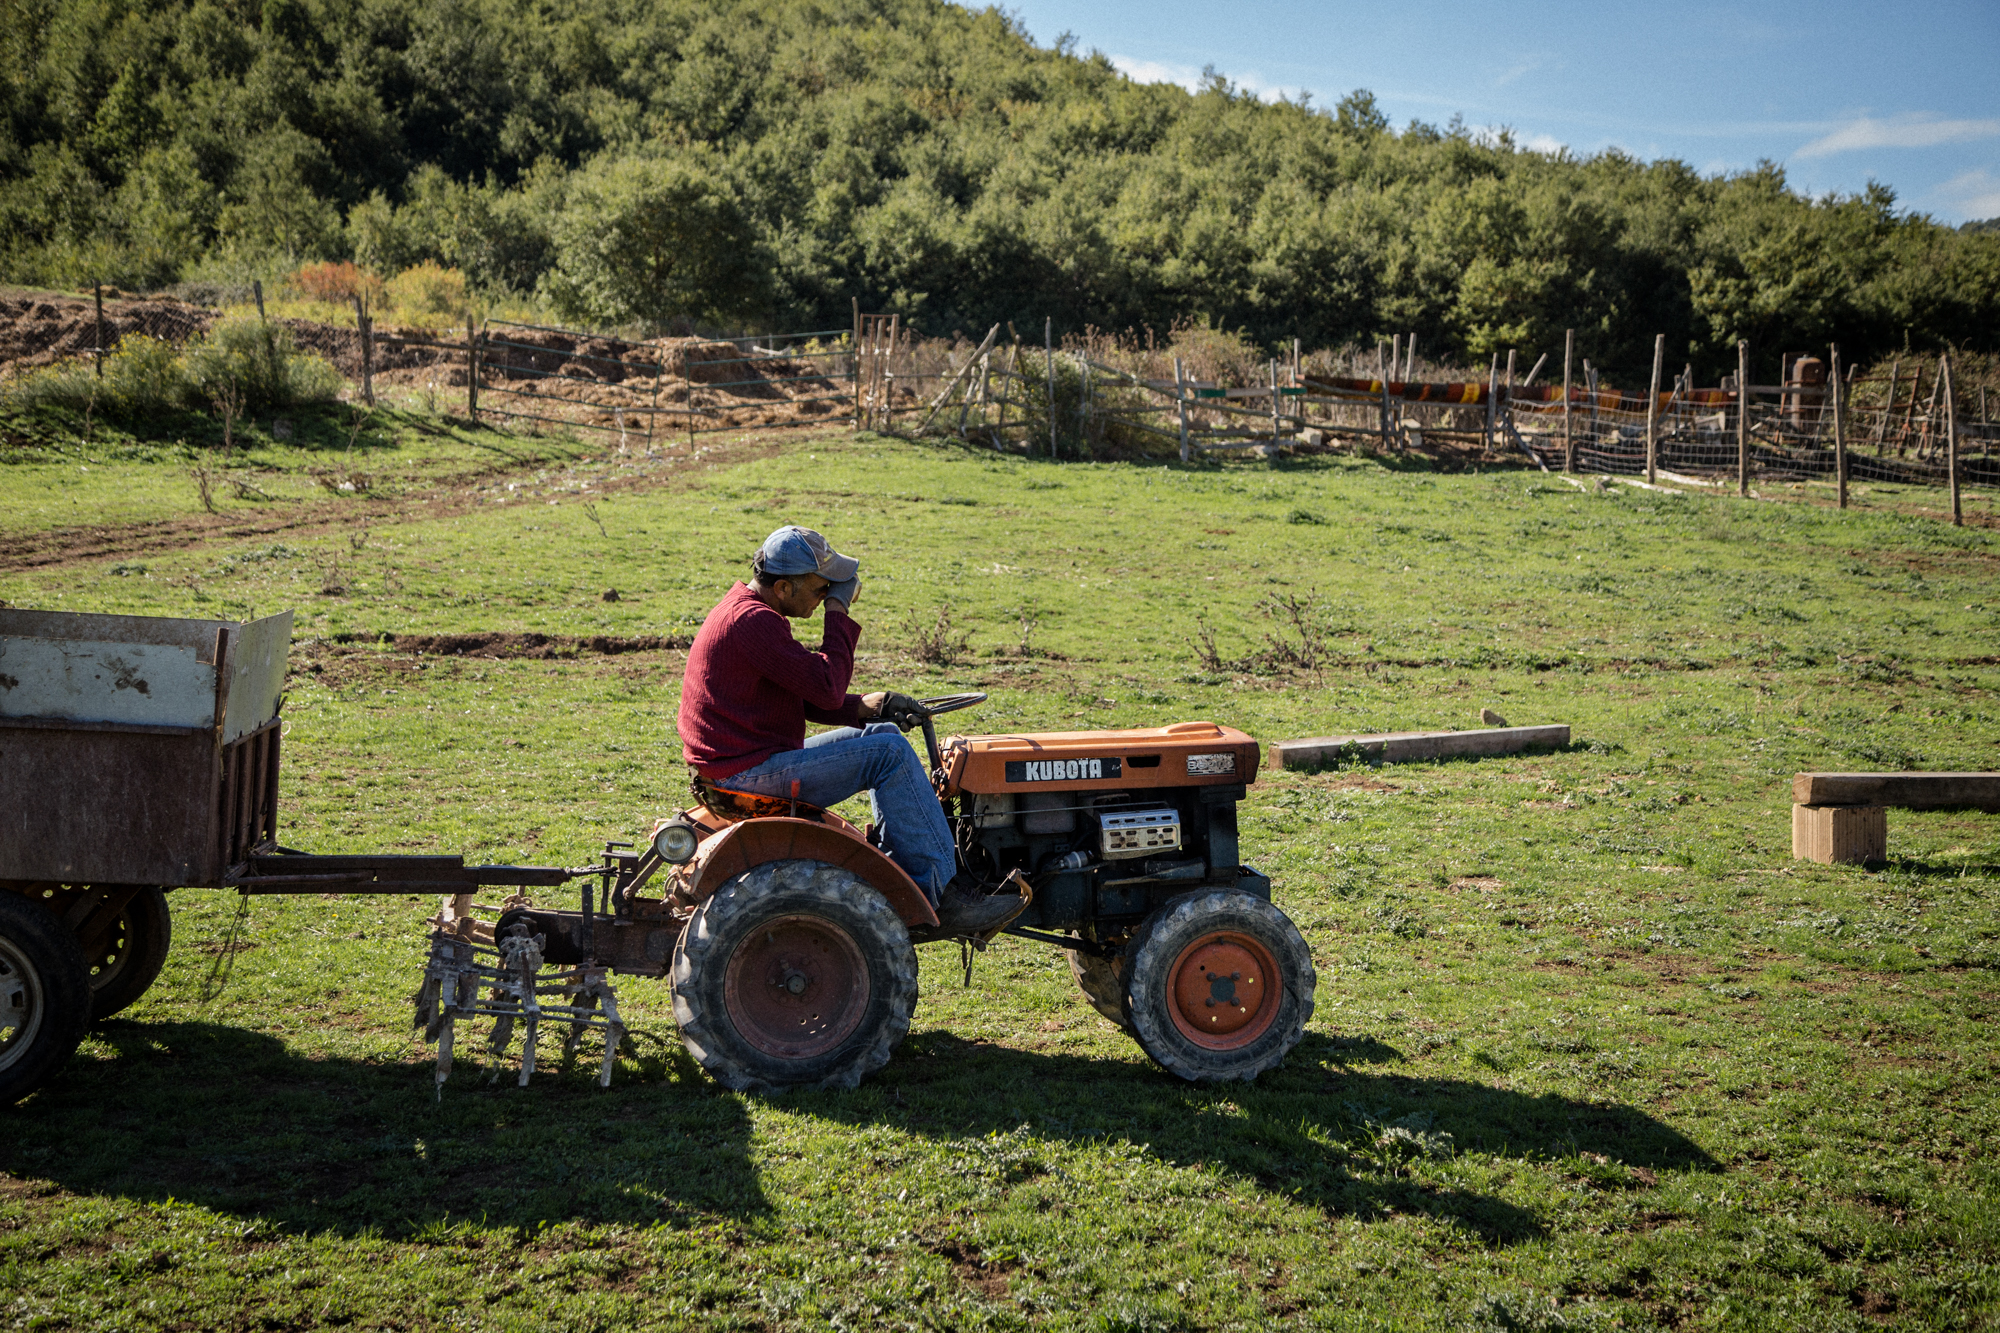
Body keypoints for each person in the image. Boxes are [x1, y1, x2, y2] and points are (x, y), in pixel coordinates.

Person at [676, 525, 1024, 934]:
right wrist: (837, 613)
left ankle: (907, 871)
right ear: (785, 588)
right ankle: (941, 895)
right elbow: (825, 686)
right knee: (887, 754)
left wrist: (862, 708)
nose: (826, 596)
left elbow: (799, 693)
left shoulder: (747, 611)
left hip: (743, 761)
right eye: (821, 589)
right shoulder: (754, 621)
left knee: (886, 741)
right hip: (744, 773)